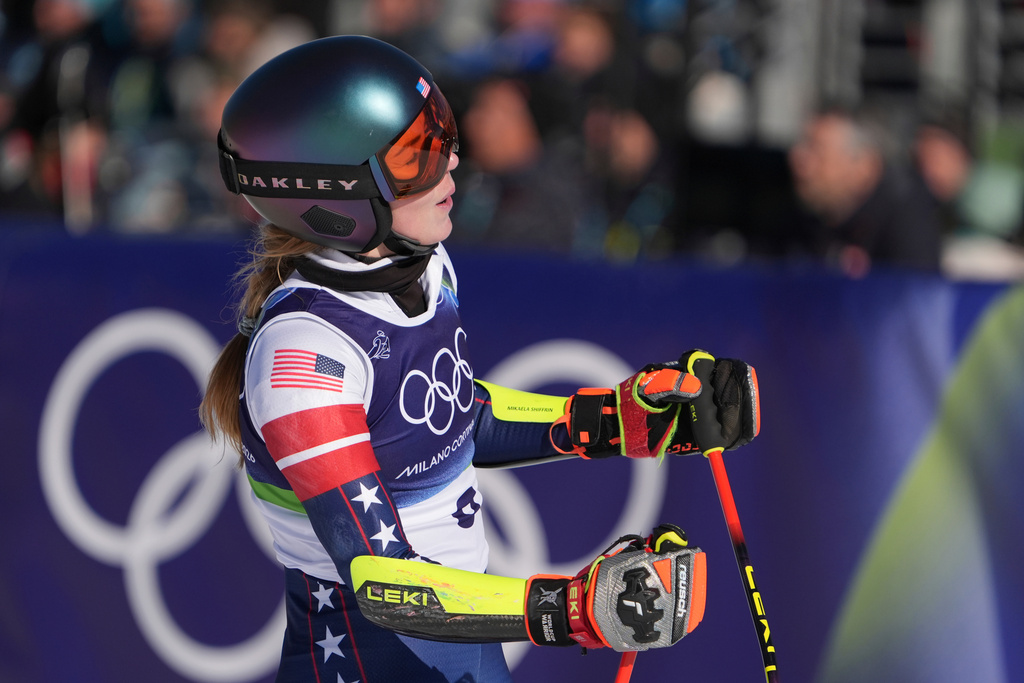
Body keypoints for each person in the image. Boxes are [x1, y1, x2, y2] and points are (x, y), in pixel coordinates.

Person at [200, 35, 760, 682]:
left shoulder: (426, 264)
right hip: (371, 660)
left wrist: (618, 421)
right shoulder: (304, 354)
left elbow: (451, 415)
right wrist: (569, 608)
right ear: (334, 195)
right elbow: (383, 582)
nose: (451, 167)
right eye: (417, 157)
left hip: (460, 649)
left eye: (443, 136)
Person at [788, 107, 944, 277]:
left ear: (864, 166)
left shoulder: (907, 219)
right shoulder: (799, 215)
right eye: (801, 146)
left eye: (816, 150)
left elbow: (915, 296)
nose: (798, 159)